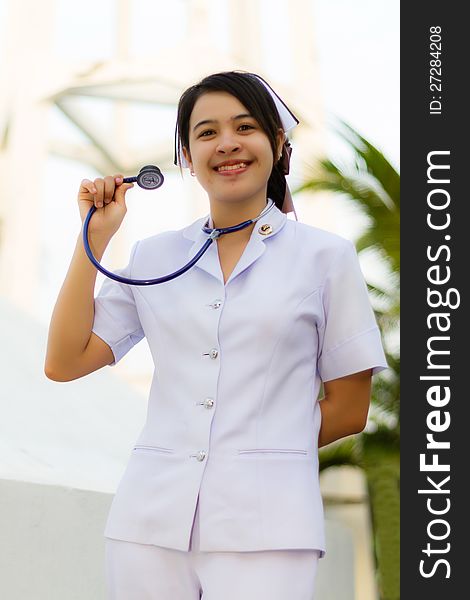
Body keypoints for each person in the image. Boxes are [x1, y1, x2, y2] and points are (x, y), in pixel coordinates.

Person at [45, 70, 388, 600]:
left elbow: (349, 409)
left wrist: (253, 455)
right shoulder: (154, 256)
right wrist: (93, 237)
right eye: (206, 132)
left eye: (245, 127)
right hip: (148, 522)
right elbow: (65, 362)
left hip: (269, 526)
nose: (226, 143)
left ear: (277, 143)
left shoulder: (325, 258)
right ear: (185, 155)